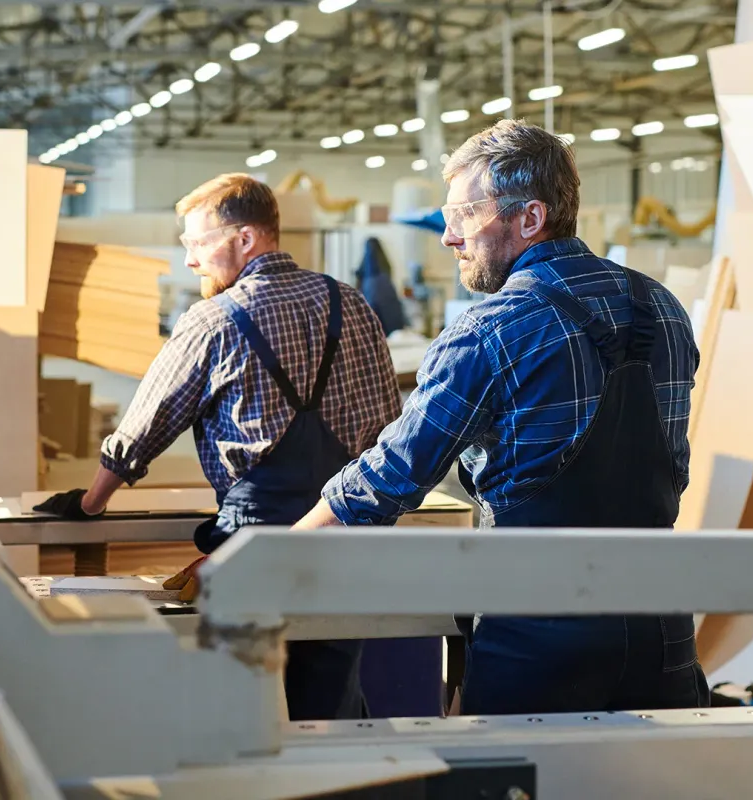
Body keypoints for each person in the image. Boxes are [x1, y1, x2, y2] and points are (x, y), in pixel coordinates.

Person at [293, 119, 709, 715]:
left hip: (539, 633)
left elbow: (390, 478)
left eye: (464, 215)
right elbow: (671, 467)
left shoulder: (490, 330)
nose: (448, 237)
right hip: (661, 631)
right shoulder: (662, 308)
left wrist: (278, 554)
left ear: (530, 218)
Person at [35, 173, 402, 721]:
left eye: (199, 243)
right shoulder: (348, 302)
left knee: (246, 694)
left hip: (253, 541)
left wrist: (91, 502)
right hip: (344, 534)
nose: (190, 260)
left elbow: (144, 427)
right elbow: (389, 427)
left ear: (248, 239)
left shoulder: (214, 320)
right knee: (329, 696)